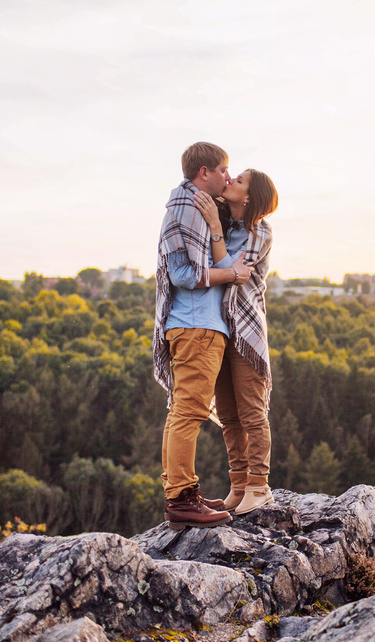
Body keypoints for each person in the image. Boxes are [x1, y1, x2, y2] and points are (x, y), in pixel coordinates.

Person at [153, 141, 255, 530]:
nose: (229, 177)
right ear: (204, 173)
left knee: (182, 412)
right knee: (189, 413)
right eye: (224, 169)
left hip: (198, 326)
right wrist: (233, 273)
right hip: (195, 327)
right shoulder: (190, 208)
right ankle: (181, 499)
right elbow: (182, 275)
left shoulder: (195, 206)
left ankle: (182, 493)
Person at [192, 168, 279, 515]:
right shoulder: (227, 226)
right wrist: (216, 225)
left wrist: (213, 225)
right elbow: (221, 267)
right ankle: (239, 485)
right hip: (220, 329)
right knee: (228, 415)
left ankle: (259, 486)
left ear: (249, 198)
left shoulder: (261, 232)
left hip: (246, 331)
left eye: (239, 181)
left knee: (252, 413)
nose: (231, 181)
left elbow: (231, 270)